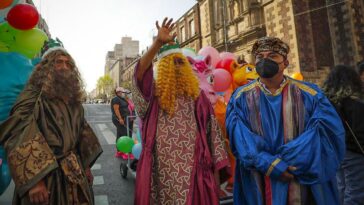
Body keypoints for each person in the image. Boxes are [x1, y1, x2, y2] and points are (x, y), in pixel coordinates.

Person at [226, 36, 346, 205]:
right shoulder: (240, 98)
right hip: (259, 177)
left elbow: (324, 132)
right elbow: (240, 139)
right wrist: (268, 163)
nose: (265, 60)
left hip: (299, 175)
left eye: (273, 56)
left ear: (285, 63)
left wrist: (288, 161)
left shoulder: (310, 94)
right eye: (260, 57)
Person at [130, 17, 230, 205]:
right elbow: (140, 73)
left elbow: (214, 142)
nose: (177, 67)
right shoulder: (152, 98)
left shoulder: (198, 98)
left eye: (181, 62)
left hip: (196, 178)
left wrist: (214, 187)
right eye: (171, 63)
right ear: (162, 69)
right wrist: (157, 43)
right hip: (160, 179)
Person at [0, 38, 103, 205]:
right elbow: (18, 132)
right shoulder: (32, 95)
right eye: (58, 62)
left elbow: (81, 135)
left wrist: (85, 166)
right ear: (45, 67)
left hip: (74, 175)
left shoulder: (72, 99)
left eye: (68, 64)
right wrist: (34, 180)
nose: (64, 67)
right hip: (45, 180)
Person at [322, 65, 364, 204]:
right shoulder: (354, 104)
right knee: (356, 190)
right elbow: (360, 131)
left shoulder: (327, 103)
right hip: (354, 152)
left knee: (342, 187)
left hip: (335, 151)